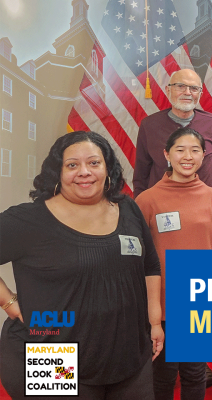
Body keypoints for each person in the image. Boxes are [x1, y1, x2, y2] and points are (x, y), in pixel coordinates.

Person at [0, 131, 162, 399]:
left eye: (94, 163)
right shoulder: (29, 220)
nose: (84, 172)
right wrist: (8, 302)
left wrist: (154, 322)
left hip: (129, 354)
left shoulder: (128, 209)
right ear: (58, 172)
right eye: (72, 165)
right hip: (53, 357)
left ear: (107, 168)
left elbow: (150, 265)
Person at [135, 128, 212, 400]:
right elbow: (138, 259)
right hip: (160, 307)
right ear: (166, 154)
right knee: (162, 377)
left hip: (199, 303)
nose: (188, 156)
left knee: (195, 374)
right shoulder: (147, 200)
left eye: (195, 150)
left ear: (204, 155)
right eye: (180, 150)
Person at [133, 69, 212, 199]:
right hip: (162, 202)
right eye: (181, 86)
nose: (187, 92)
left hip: (205, 202)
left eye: (194, 88)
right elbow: (141, 174)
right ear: (168, 90)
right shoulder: (149, 125)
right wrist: (140, 208)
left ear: (200, 93)